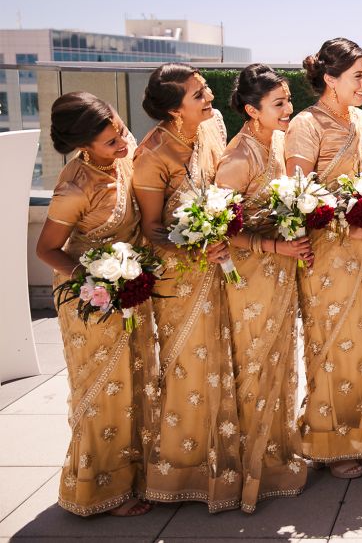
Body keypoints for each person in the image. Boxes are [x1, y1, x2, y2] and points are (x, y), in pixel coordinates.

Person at [286, 39, 362, 478]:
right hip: (329, 251)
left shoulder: (361, 119)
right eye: (358, 75)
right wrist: (345, 225)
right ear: (330, 80)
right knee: (333, 344)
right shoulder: (305, 125)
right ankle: (330, 441)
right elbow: (297, 198)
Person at [36, 93, 156, 517]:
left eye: (121, 130)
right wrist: (95, 282)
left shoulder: (123, 156)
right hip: (89, 298)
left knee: (137, 382)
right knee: (103, 391)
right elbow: (47, 249)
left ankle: (136, 475)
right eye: (111, 142)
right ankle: (100, 492)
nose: (124, 145)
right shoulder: (75, 186)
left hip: (129, 287)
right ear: (84, 146)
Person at [133, 63, 242, 512]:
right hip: (178, 278)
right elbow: (151, 229)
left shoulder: (213, 126)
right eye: (198, 94)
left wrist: (220, 234)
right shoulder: (152, 155)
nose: (209, 96)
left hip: (219, 267)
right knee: (187, 369)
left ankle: (223, 466)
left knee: (222, 362)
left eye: (204, 88)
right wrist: (198, 247)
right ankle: (178, 474)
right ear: (174, 110)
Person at [214, 64, 307, 511]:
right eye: (278, 104)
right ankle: (248, 471)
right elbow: (218, 230)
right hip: (248, 276)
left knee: (279, 362)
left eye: (288, 100)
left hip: (279, 272)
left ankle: (276, 455)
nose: (289, 109)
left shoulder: (276, 143)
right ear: (252, 110)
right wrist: (274, 244)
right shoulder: (237, 159)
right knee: (252, 365)